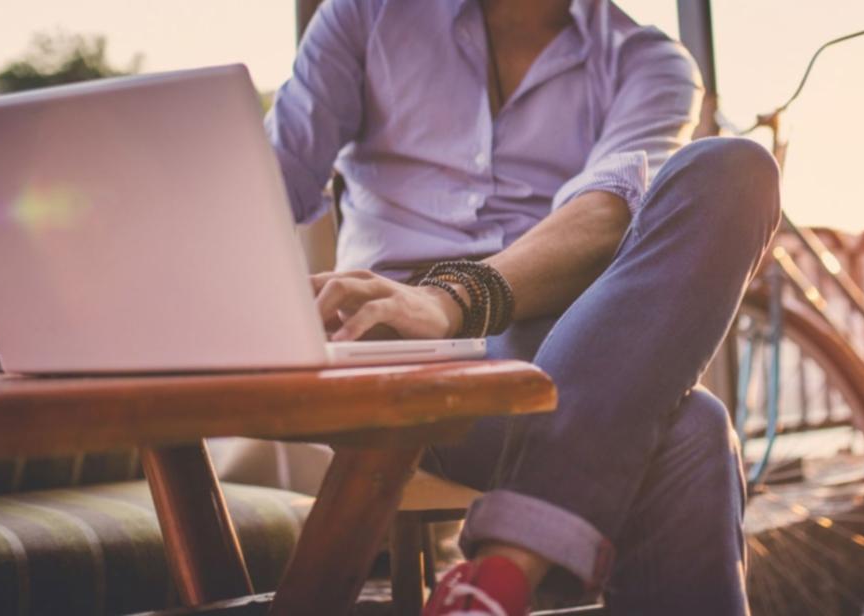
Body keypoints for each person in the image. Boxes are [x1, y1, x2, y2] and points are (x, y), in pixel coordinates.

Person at [265, 0, 780, 613]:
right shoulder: (367, 15)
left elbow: (605, 213)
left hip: (555, 341)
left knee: (735, 169)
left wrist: (454, 299)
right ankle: (496, 581)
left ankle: (499, 573)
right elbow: (270, 182)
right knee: (691, 432)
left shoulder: (650, 61)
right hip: (386, 338)